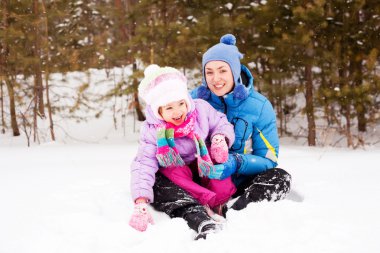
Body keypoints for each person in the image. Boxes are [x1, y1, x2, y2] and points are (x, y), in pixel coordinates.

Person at [151, 34, 292, 240]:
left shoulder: (259, 106)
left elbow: (269, 159)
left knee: (280, 178)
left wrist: (236, 163)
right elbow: (159, 121)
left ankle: (234, 213)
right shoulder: (191, 100)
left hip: (238, 178)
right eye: (209, 72)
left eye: (222, 70)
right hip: (200, 175)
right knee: (156, 179)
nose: (216, 79)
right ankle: (197, 214)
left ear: (234, 71)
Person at [128, 64, 237, 239]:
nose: (178, 111)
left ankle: (221, 202)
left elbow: (221, 123)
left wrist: (220, 137)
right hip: (179, 168)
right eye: (169, 108)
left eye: (181, 104)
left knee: (216, 159)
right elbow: (143, 163)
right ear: (159, 111)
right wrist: (140, 200)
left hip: (202, 161)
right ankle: (204, 202)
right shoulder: (152, 130)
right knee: (169, 168)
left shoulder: (201, 108)